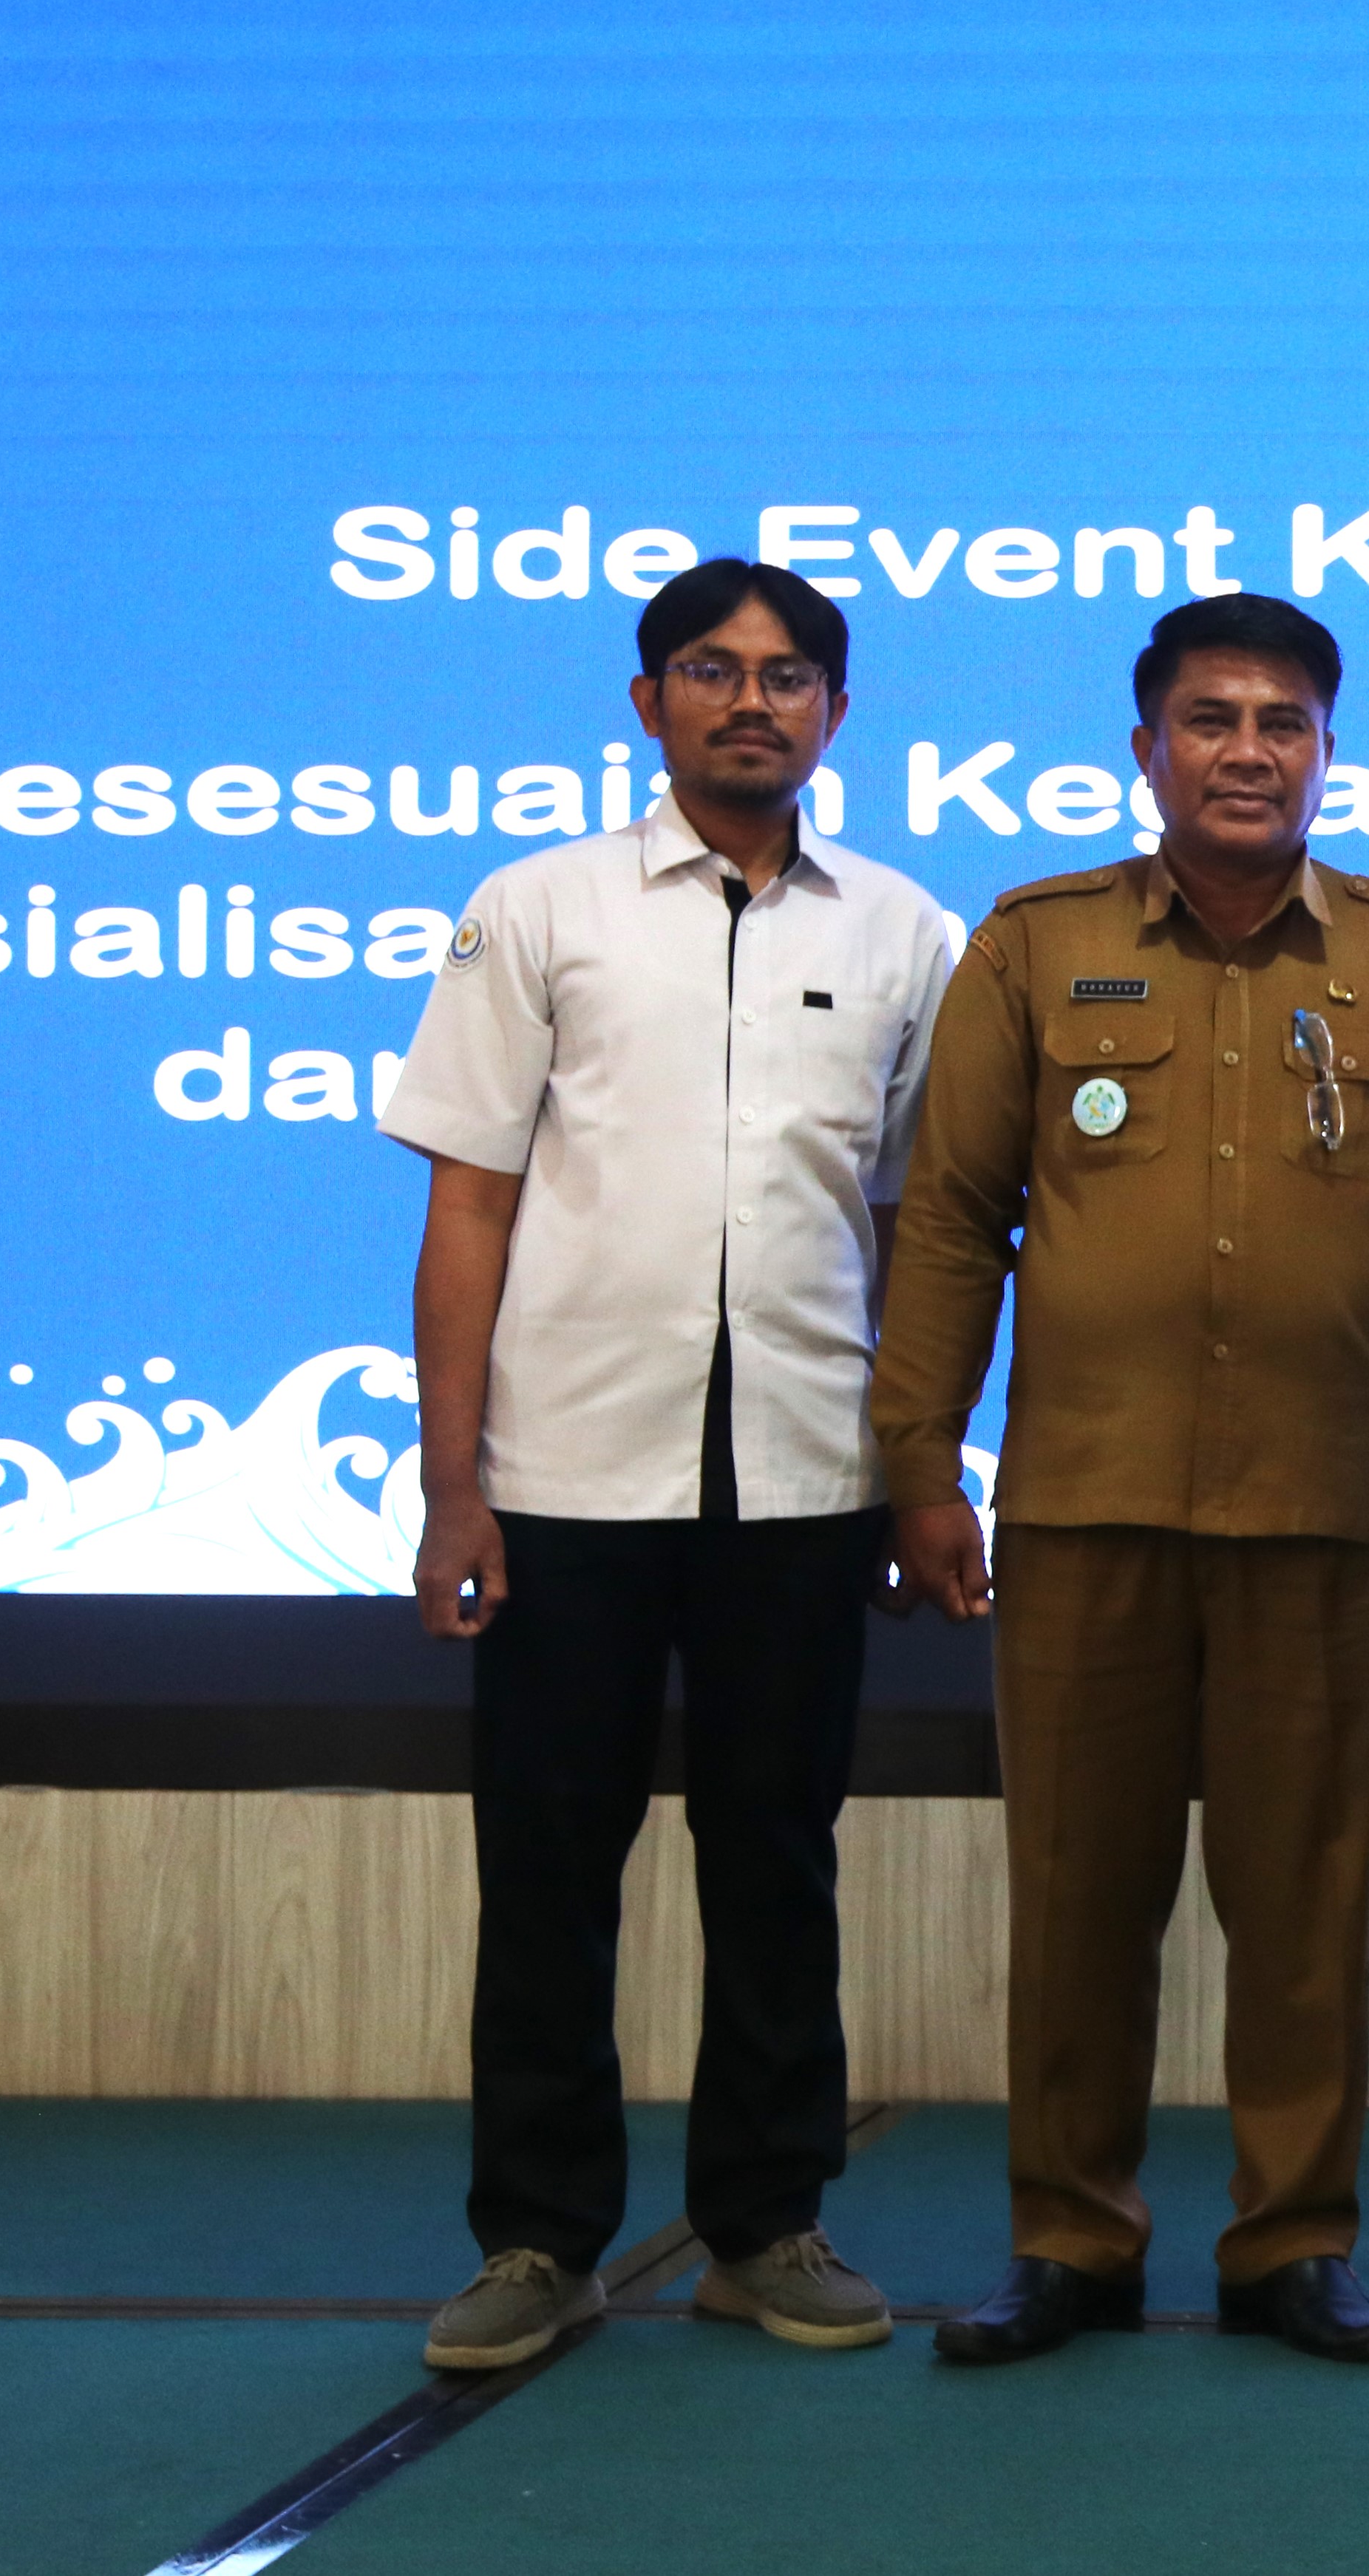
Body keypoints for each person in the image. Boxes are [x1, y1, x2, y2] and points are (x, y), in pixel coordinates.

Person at [872, 592, 1369, 2367]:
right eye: (1214, 720)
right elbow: (951, 1219)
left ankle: (1290, 2241)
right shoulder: (1032, 942)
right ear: (1147, 744)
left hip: (1321, 1504)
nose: (1250, 752)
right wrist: (917, 1458)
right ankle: (1070, 2240)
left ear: (1328, 749)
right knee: (1078, 1893)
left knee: (1301, 1897)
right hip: (1085, 1499)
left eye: (1285, 724)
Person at [387, 556, 950, 2370]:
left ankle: (765, 2222)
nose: (751, 702)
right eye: (711, 671)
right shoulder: (536, 908)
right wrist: (451, 1483)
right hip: (563, 1477)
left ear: (836, 716)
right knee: (551, 1862)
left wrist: (920, 1462)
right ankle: (539, 2241)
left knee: (775, 1857)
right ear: (648, 704)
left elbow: (929, 1229)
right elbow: (468, 1202)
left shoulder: (905, 936)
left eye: (789, 677)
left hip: (803, 1476)